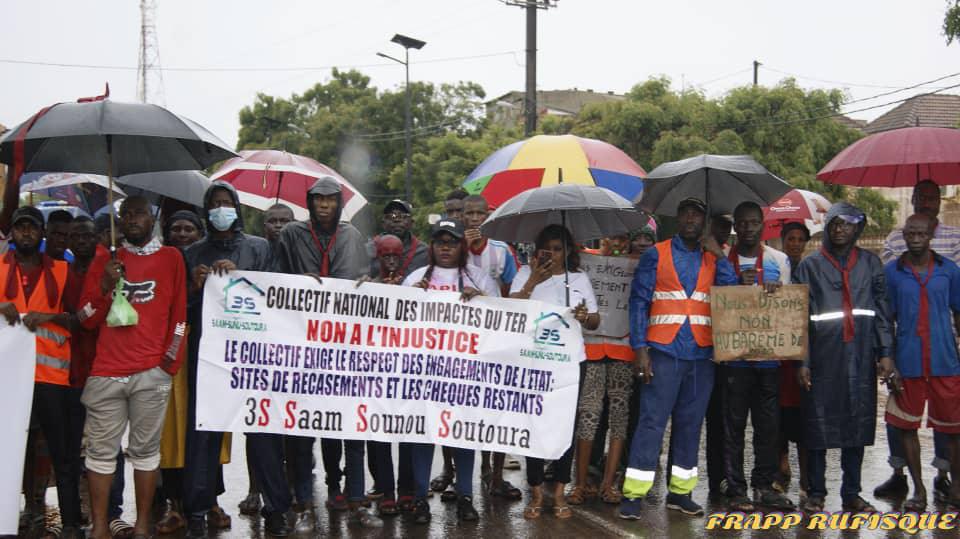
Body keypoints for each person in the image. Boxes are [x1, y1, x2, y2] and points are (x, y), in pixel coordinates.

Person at [619, 197, 738, 519]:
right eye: (684, 213)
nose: (689, 219)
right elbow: (639, 303)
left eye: (696, 214)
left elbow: (731, 296)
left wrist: (719, 255)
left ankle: (681, 493)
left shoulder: (713, 258)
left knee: (690, 425)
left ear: (704, 221)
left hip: (702, 354)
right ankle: (633, 494)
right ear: (676, 218)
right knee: (651, 423)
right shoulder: (655, 254)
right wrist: (640, 350)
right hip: (663, 352)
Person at [77, 195, 187, 539]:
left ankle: (141, 526)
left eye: (138, 213)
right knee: (100, 454)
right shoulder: (105, 260)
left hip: (151, 373)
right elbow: (84, 319)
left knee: (145, 452)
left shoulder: (172, 258)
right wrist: (106, 287)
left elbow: (180, 318)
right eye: (126, 214)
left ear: (151, 218)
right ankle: (99, 528)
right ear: (119, 222)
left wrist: (167, 365)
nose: (132, 219)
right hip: (106, 373)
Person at [273, 175, 376, 529]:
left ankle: (350, 495)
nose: (324, 205)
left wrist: (368, 283)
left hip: (345, 344)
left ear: (339, 203)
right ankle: (303, 503)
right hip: (303, 344)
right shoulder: (291, 235)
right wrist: (296, 281)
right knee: (303, 430)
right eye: (318, 199)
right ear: (310, 202)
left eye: (330, 199)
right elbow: (274, 277)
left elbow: (366, 277)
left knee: (348, 426)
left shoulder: (352, 236)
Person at [182, 183, 273, 537]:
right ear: (206, 211)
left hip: (253, 357)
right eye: (215, 204)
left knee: (263, 434)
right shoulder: (192, 253)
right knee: (202, 437)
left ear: (237, 208)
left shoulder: (259, 248)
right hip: (208, 359)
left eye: (227, 203)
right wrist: (195, 286)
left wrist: (240, 277)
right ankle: (197, 512)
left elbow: (273, 298)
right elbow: (184, 310)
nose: (221, 209)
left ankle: (276, 509)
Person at [794, 202, 893, 514]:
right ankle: (817, 492)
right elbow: (798, 319)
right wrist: (803, 361)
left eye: (847, 224)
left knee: (857, 424)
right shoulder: (809, 266)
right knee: (818, 426)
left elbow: (881, 312)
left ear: (857, 228)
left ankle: (851, 494)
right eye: (835, 223)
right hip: (823, 356)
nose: (839, 229)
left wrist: (885, 353)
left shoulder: (871, 263)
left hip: (860, 356)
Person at [403, 219, 500, 524]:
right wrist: (410, 299)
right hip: (423, 372)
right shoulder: (416, 278)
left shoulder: (479, 278)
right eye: (440, 241)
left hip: (464, 373)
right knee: (423, 434)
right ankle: (419, 499)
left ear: (462, 245)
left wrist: (482, 301)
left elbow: (501, 323)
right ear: (431, 246)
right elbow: (398, 325)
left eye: (452, 241)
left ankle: (465, 496)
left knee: (463, 435)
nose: (446, 247)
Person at [876, 180, 960, 502]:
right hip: (908, 354)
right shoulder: (894, 258)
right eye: (920, 197)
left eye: (931, 198)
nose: (926, 202)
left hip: (945, 350)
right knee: (901, 423)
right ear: (911, 201)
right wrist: (886, 356)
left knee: (949, 425)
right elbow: (886, 311)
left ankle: (946, 478)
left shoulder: (950, 264)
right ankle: (908, 482)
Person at [1, 207, 80, 538]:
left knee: (60, 453)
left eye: (31, 228)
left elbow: (79, 319)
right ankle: (15, 513)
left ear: (42, 233)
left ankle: (72, 522)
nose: (26, 234)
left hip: (51, 378)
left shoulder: (62, 271)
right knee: (10, 449)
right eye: (20, 228)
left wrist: (48, 317)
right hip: (8, 377)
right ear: (13, 234)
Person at [511, 224, 599, 520]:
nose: (554, 254)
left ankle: (560, 490)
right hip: (534, 361)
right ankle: (536, 491)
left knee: (565, 426)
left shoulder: (578, 278)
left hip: (571, 362)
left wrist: (586, 317)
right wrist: (534, 280)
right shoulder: (527, 274)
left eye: (559, 248)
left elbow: (595, 320)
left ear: (569, 250)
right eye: (548, 248)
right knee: (533, 423)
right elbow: (510, 310)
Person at [720, 202, 794, 511]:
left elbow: (790, 307)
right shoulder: (723, 260)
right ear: (736, 226)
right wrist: (737, 287)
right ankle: (736, 487)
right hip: (735, 359)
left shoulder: (779, 260)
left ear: (762, 225)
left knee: (768, 427)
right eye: (743, 223)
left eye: (754, 222)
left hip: (768, 358)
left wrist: (777, 292)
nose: (749, 227)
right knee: (734, 426)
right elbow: (716, 302)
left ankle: (764, 486)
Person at [462, 193, 522, 501]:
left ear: (488, 215)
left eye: (479, 213)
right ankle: (464, 474)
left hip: (495, 341)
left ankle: (495, 474)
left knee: (496, 410)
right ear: (462, 216)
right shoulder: (452, 248)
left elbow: (512, 296)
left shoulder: (502, 252)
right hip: (461, 344)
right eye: (468, 213)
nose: (474, 218)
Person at [155, 209, 209, 536]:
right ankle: (173, 502)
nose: (183, 233)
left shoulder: (209, 258)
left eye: (190, 228)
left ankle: (207, 502)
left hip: (205, 352)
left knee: (206, 430)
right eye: (177, 228)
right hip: (171, 348)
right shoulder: (161, 261)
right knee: (170, 431)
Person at [570, 234, 630, 506]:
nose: (617, 243)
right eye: (611, 238)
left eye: (623, 239)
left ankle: (608, 484)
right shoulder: (587, 260)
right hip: (592, 351)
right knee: (588, 416)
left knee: (619, 416)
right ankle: (580, 484)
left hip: (623, 352)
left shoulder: (635, 264)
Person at [775, 222, 811, 496]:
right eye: (791, 238)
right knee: (778, 413)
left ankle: (807, 476)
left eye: (800, 239)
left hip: (804, 352)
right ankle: (782, 466)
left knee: (804, 415)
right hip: (779, 353)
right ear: (783, 240)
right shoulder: (776, 268)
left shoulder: (812, 270)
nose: (795, 243)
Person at [367, 199, 428, 279]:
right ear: (383, 223)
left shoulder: (424, 252)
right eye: (391, 216)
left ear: (411, 223)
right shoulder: (370, 248)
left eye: (403, 216)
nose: (397, 220)